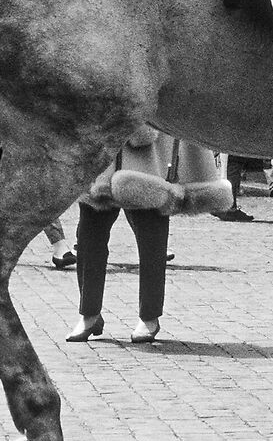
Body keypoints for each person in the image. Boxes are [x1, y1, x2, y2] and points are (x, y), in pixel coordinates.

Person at [64, 132, 232, 344]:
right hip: (104, 153)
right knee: (89, 238)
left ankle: (150, 316)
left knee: (152, 242)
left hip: (149, 158)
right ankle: (89, 313)